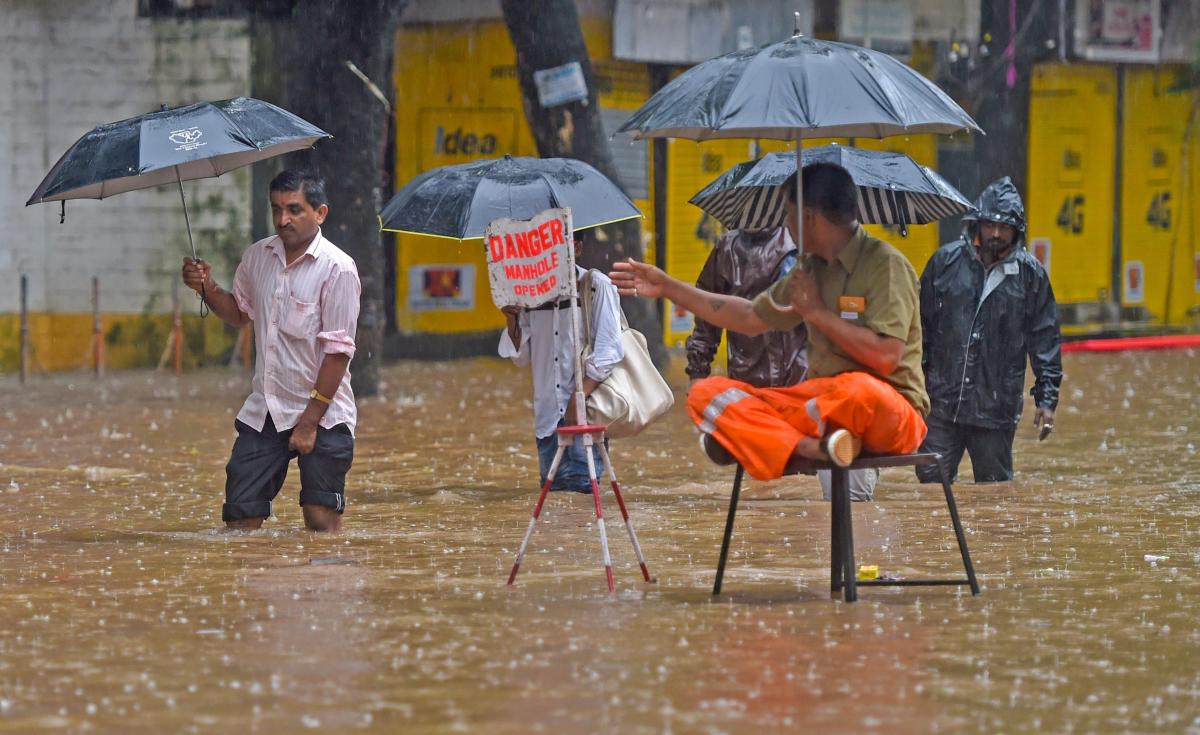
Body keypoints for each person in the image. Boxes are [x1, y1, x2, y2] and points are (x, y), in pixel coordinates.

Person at [612, 163, 929, 481]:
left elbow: (886, 357)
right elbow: (749, 317)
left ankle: (758, 440)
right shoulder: (810, 270)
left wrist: (817, 313)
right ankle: (809, 447)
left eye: (789, 215)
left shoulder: (886, 266)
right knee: (706, 393)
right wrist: (668, 287)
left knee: (858, 389)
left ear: (808, 218)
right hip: (821, 408)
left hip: (888, 412)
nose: (786, 226)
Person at [181, 170, 361, 532]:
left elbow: (339, 352)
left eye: (294, 209)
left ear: (320, 213)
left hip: (324, 413)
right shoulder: (257, 256)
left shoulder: (338, 268)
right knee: (240, 519)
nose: (283, 220)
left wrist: (310, 422)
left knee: (320, 521)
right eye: (277, 209)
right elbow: (239, 312)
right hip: (267, 409)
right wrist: (207, 288)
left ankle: (320, 588)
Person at [686, 226, 880, 500]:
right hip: (752, 383)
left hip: (805, 382)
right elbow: (707, 315)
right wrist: (698, 370)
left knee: (814, 480)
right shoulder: (726, 250)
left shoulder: (810, 243)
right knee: (769, 487)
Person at [915, 177, 1062, 483]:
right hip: (942, 405)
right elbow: (919, 330)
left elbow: (1044, 340)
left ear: (1016, 231)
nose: (995, 234)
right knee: (931, 486)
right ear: (977, 224)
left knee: (995, 493)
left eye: (1004, 227)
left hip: (995, 409)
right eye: (990, 225)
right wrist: (914, 389)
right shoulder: (945, 263)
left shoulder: (1029, 276)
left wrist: (1046, 400)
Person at [499, 239, 624, 493]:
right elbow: (521, 358)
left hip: (585, 416)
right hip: (546, 421)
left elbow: (609, 353)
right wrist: (511, 318)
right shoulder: (527, 296)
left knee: (582, 504)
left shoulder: (595, 286)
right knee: (553, 509)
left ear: (577, 248)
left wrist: (579, 398)